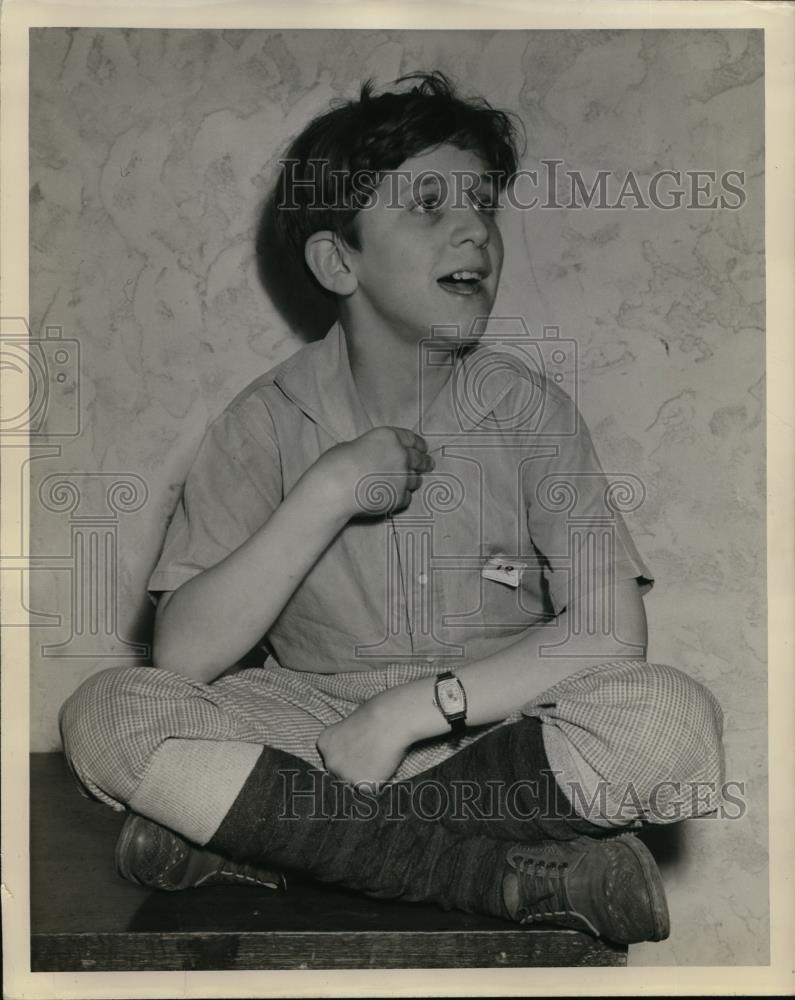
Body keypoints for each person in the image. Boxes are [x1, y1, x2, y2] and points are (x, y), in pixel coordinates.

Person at [59, 72, 724, 946]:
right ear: (339, 260)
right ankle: (494, 877)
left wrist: (407, 713)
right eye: (427, 203)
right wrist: (327, 492)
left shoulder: (534, 413)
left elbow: (610, 630)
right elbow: (183, 654)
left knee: (672, 719)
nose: (473, 230)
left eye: (483, 204)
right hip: (309, 731)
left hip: (489, 734)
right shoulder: (261, 421)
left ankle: (268, 841)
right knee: (106, 713)